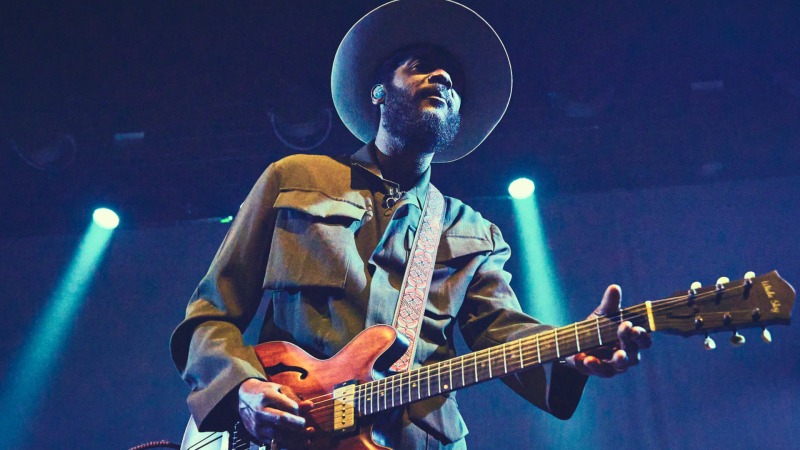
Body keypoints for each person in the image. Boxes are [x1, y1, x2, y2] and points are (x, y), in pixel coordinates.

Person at [170, 1, 652, 449]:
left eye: (453, 80)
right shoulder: (295, 178)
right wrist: (242, 388)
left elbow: (506, 335)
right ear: (378, 91)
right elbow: (210, 316)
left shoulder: (475, 233)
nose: (442, 76)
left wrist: (572, 351)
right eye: (420, 65)